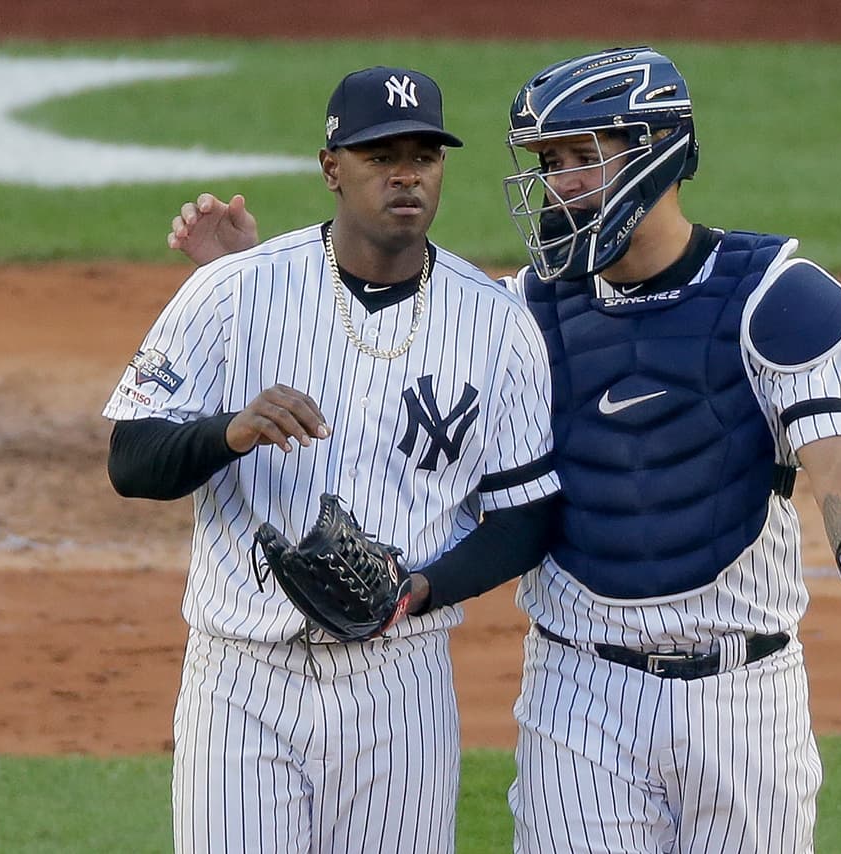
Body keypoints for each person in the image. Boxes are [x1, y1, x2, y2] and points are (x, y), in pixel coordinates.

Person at [169, 46, 841, 854]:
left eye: (579, 158)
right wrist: (253, 283)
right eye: (548, 160)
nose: (558, 184)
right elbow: (372, 386)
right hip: (579, 697)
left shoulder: (775, 297)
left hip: (747, 699)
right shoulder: (519, 312)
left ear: (655, 149)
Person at [106, 65, 560, 854]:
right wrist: (228, 433)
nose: (407, 174)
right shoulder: (231, 292)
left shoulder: (497, 325)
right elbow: (130, 460)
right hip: (243, 678)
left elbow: (525, 519)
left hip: (401, 680)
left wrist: (419, 588)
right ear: (331, 168)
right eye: (381, 155)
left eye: (425, 154)